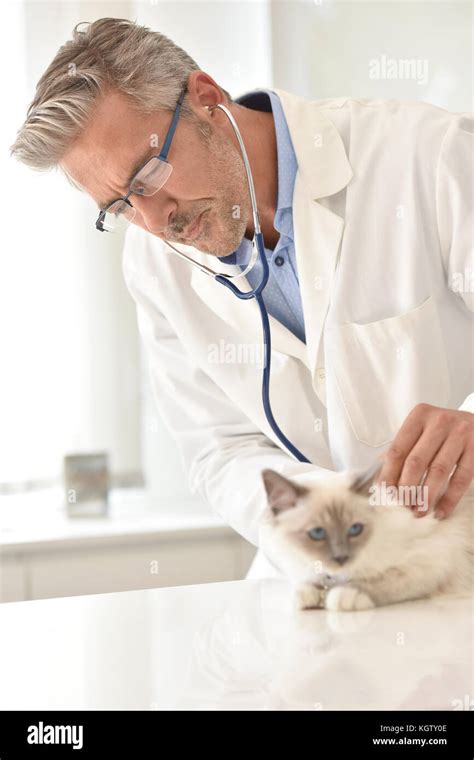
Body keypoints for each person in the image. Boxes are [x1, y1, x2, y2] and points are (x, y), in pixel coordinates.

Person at [11, 18, 473, 579]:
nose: (157, 222)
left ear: (206, 98)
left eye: (149, 175)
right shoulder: (153, 263)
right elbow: (220, 448)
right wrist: (319, 514)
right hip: (316, 579)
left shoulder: (426, 156)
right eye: (120, 207)